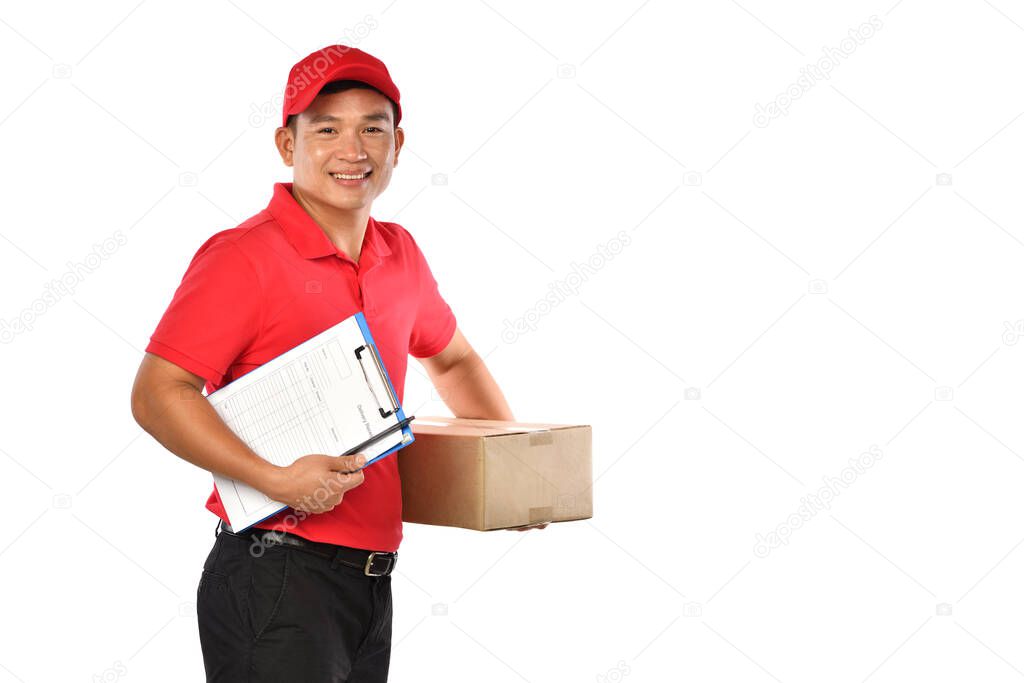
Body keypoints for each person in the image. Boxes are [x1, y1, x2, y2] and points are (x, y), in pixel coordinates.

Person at [130, 44, 544, 683]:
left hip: (372, 581)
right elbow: (159, 392)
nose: (353, 150)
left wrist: (515, 479)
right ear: (286, 144)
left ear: (398, 145)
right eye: (326, 128)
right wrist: (271, 477)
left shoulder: (400, 253)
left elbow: (454, 360)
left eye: (372, 128)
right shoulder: (242, 257)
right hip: (275, 572)